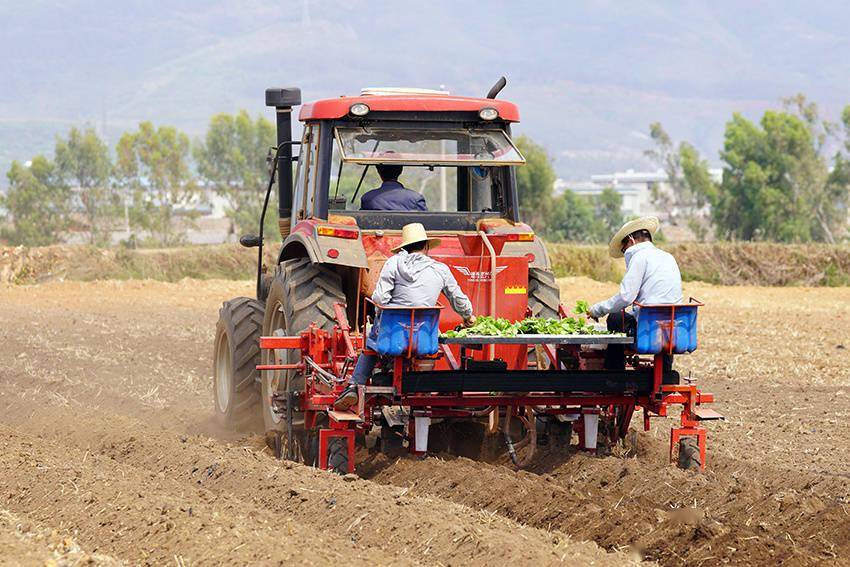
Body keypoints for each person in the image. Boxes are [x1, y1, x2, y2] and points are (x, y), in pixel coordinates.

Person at [334, 223, 475, 410]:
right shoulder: (440, 269)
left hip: (391, 336)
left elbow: (379, 298)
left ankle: (354, 384)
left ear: (404, 248)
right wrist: (468, 316)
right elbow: (458, 299)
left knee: (370, 339)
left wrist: (381, 317)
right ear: (425, 247)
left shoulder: (393, 263)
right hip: (424, 339)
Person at [587, 216, 682, 370]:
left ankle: (614, 374)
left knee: (616, 318)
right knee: (665, 317)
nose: (625, 253)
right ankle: (665, 374)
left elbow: (626, 297)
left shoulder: (639, 257)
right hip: (674, 327)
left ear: (631, 240)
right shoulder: (668, 257)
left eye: (624, 249)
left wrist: (596, 310)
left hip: (648, 327)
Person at [360, 163, 427, 211]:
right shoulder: (415, 199)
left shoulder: (367, 198)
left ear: (379, 172)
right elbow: (426, 224)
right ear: (401, 171)